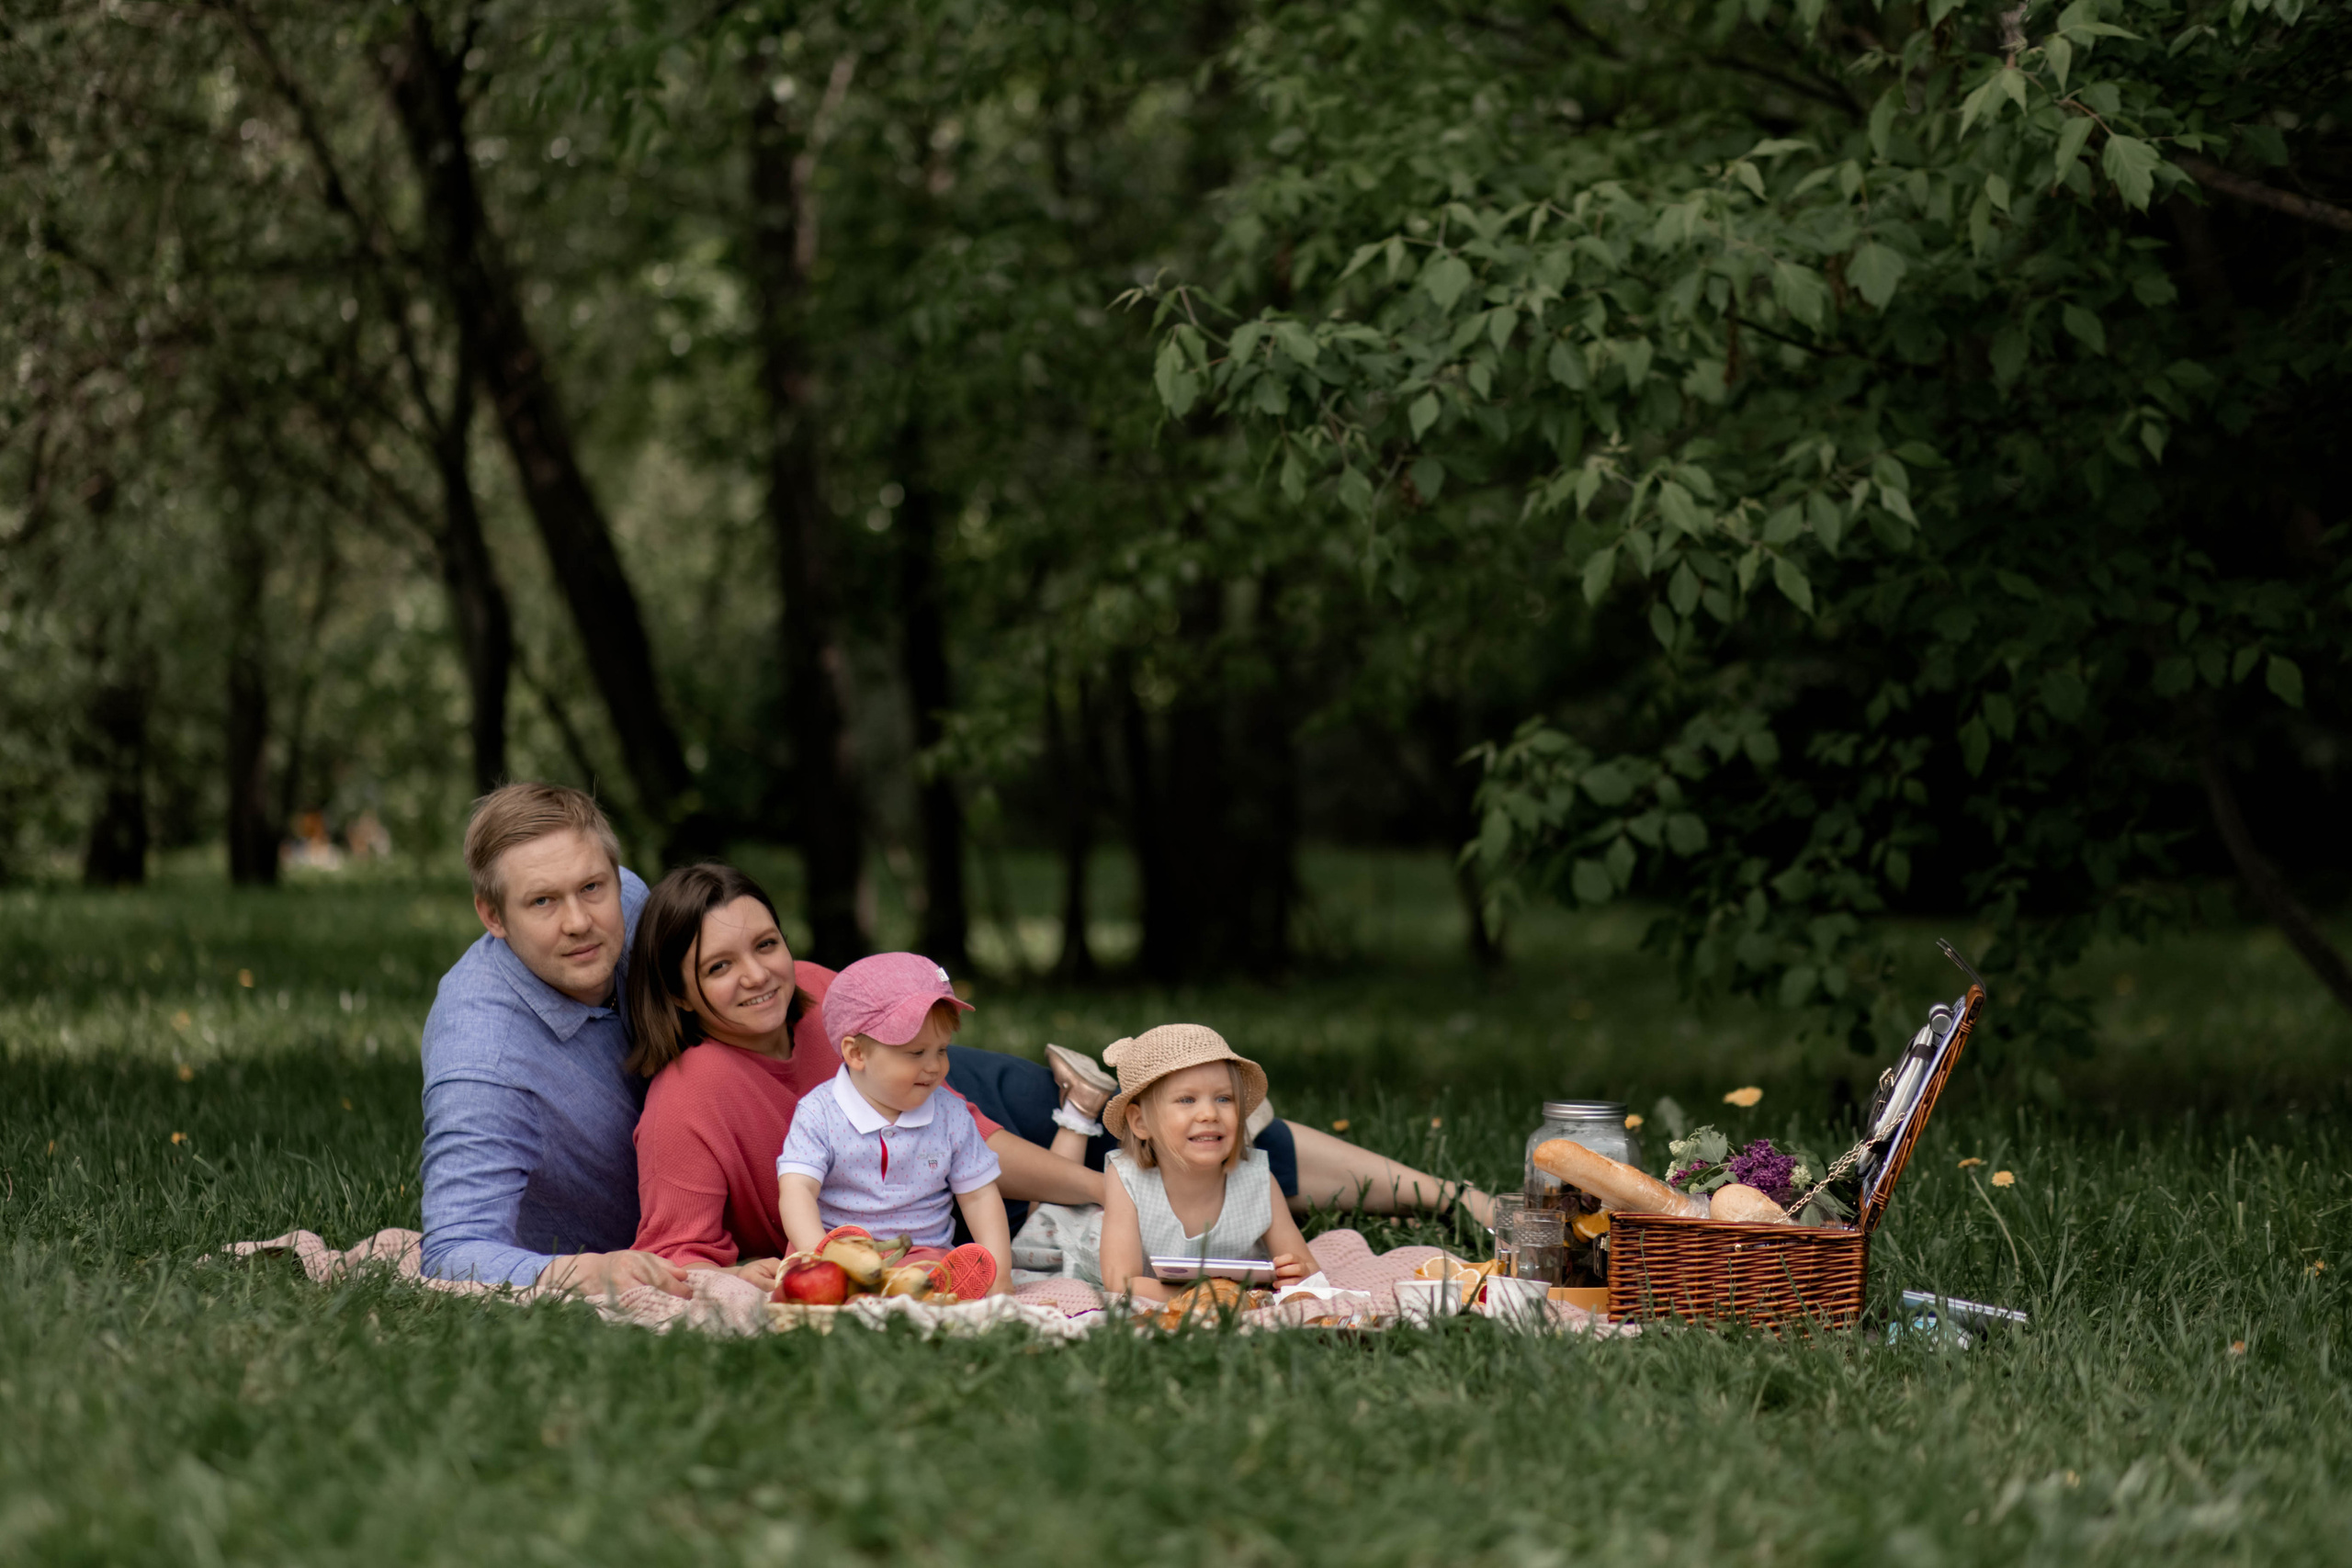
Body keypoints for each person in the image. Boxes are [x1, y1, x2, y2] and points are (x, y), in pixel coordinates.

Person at [624, 864, 1079, 1284]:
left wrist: (1106, 1189)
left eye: (766, 944)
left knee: (1119, 1133)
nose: (758, 975)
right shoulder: (684, 1102)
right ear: (678, 994)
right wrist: (741, 1277)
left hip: (947, 1110)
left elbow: (963, 1130)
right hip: (924, 1235)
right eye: (719, 966)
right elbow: (677, 1255)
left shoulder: (823, 992)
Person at [417, 784, 690, 1298]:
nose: (580, 922)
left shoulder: (630, 900)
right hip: (623, 1247)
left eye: (591, 887)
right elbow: (454, 1248)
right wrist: (581, 1272)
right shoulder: (482, 1059)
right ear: (493, 916)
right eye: (542, 901)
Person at [775, 953, 1011, 1297]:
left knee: (931, 1278)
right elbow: (797, 1191)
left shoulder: (950, 1115)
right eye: (916, 1053)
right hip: (836, 1252)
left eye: (942, 1050)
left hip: (920, 1252)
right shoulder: (819, 1113)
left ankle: (936, 1289)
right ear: (857, 1054)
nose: (935, 1067)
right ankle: (844, 1290)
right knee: (805, 1284)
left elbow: (978, 1196)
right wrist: (817, 1255)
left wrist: (1000, 1272)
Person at [1096, 1024, 1315, 1303]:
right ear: (1141, 1122)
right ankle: (1077, 1114)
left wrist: (1298, 1274)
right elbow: (1120, 1283)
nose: (1209, 1113)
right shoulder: (1127, 1178)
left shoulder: (1258, 1181)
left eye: (1224, 1099)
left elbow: (1307, 1269)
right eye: (1187, 1100)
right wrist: (1204, 1298)